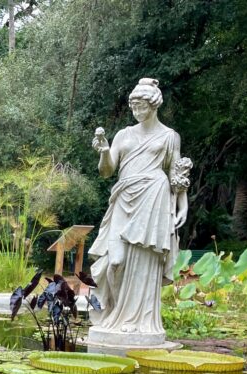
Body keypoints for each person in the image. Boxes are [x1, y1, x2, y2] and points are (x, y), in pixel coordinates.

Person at [88, 78, 190, 341]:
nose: (136, 110)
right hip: (124, 197)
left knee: (145, 263)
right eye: (133, 106)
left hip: (154, 198)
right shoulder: (124, 135)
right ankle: (115, 313)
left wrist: (182, 205)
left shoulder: (170, 136)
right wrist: (103, 151)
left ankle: (139, 320)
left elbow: (176, 174)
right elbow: (106, 171)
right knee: (115, 261)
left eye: (140, 105)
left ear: (153, 105)